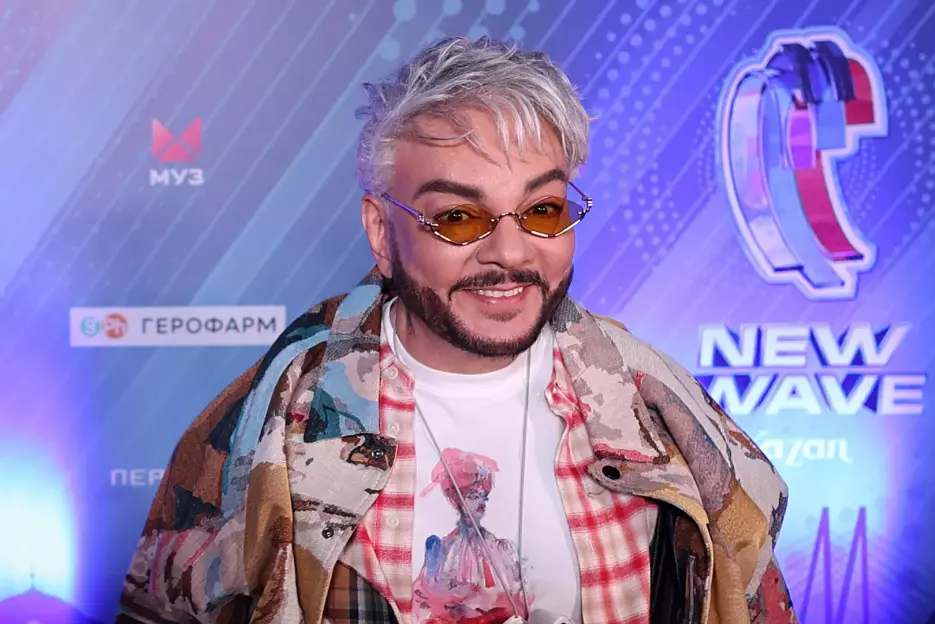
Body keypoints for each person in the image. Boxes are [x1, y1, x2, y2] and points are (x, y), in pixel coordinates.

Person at [117, 37, 797, 624]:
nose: (510, 253)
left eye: (542, 209)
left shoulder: (659, 412)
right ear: (381, 232)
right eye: (459, 218)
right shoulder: (279, 421)